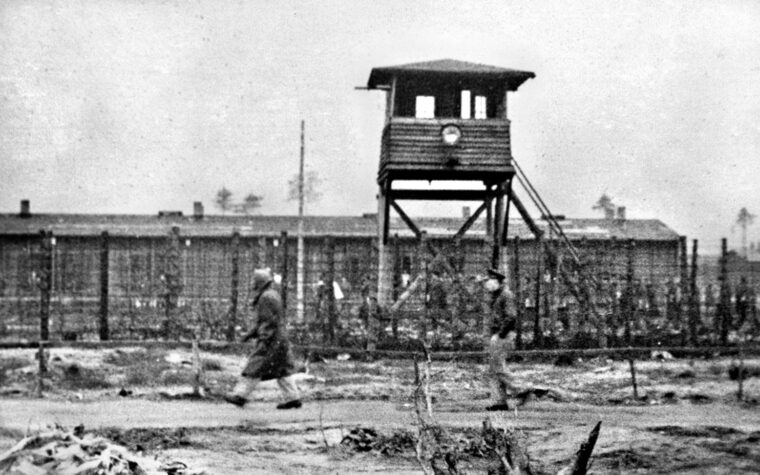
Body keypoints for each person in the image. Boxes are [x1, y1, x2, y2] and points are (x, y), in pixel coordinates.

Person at [225, 268, 302, 410]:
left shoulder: (265, 297)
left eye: (255, 281)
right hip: (280, 338)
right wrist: (249, 335)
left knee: (255, 365)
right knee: (282, 369)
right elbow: (269, 319)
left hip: (272, 339)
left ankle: (240, 395)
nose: (253, 284)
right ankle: (293, 398)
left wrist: (263, 339)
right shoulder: (272, 294)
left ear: (259, 282)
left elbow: (267, 321)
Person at [483, 268, 518, 411]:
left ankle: (521, 388)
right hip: (498, 334)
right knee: (494, 368)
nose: (488, 283)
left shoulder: (506, 295)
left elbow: (511, 316)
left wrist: (501, 334)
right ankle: (499, 401)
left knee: (498, 366)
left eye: (491, 280)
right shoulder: (497, 296)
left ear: (497, 281)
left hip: (503, 335)